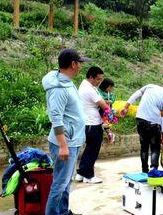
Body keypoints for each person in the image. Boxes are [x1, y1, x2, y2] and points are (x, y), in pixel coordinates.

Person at [42, 49, 91, 215]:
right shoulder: (59, 88)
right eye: (80, 63)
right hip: (65, 143)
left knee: (66, 181)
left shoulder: (66, 82)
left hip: (73, 141)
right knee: (60, 184)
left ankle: (63, 212)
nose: (81, 67)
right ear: (73, 64)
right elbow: (56, 119)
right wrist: (63, 146)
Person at [123, 80, 163, 173]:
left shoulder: (150, 86)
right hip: (153, 124)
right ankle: (153, 170)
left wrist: (126, 106)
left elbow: (136, 94)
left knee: (144, 146)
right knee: (155, 148)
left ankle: (144, 170)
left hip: (140, 121)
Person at [74, 67, 109, 184]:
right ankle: (89, 175)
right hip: (92, 124)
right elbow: (104, 106)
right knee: (93, 150)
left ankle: (81, 173)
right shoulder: (89, 89)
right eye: (98, 79)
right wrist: (109, 110)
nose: (99, 82)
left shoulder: (86, 86)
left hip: (88, 123)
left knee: (89, 149)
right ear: (91, 77)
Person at [98, 78, 117, 143]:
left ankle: (110, 134)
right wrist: (104, 101)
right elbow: (98, 99)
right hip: (100, 110)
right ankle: (110, 134)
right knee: (103, 122)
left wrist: (111, 101)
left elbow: (113, 98)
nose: (111, 89)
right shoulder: (98, 91)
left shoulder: (109, 93)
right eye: (110, 87)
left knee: (105, 122)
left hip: (106, 111)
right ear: (105, 85)